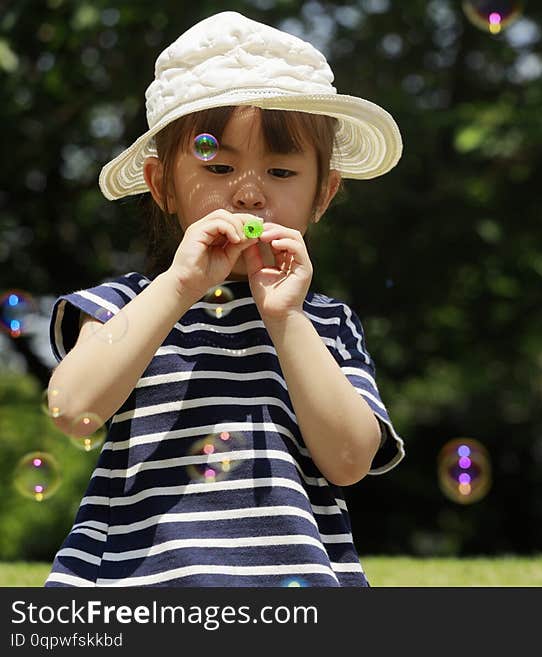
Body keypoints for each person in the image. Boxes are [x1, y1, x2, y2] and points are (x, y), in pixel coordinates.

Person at [43, 11, 405, 587]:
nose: (250, 193)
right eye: (218, 165)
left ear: (324, 194)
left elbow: (349, 461)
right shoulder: (122, 306)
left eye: (282, 171)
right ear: (161, 185)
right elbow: (70, 407)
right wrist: (180, 285)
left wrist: (285, 319)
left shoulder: (327, 324)